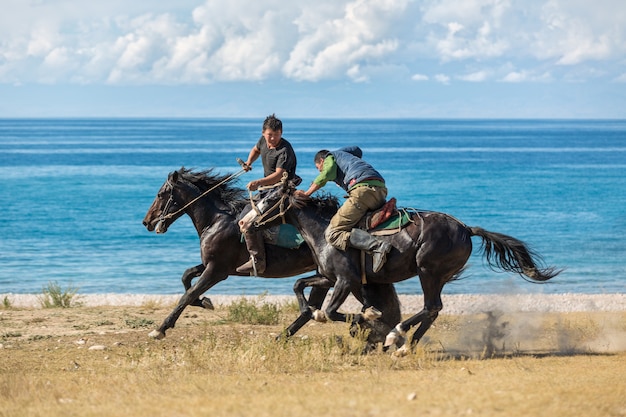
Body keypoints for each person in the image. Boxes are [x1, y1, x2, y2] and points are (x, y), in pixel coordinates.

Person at [295, 146, 391, 273]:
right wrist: (346, 166)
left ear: (322, 161)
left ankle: (377, 246)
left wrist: (307, 193)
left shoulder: (330, 157)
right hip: (380, 190)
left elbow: (327, 172)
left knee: (332, 233)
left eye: (319, 169)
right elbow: (357, 150)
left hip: (362, 190)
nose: (320, 172)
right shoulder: (341, 155)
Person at [236, 114, 299, 275]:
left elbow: (279, 175)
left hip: (280, 190)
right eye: (270, 135)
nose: (272, 139)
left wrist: (258, 182)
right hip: (266, 191)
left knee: (250, 222)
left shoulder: (285, 150)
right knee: (240, 217)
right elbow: (256, 149)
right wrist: (249, 162)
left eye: (276, 135)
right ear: (264, 133)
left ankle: (258, 261)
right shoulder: (263, 141)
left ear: (281, 133)